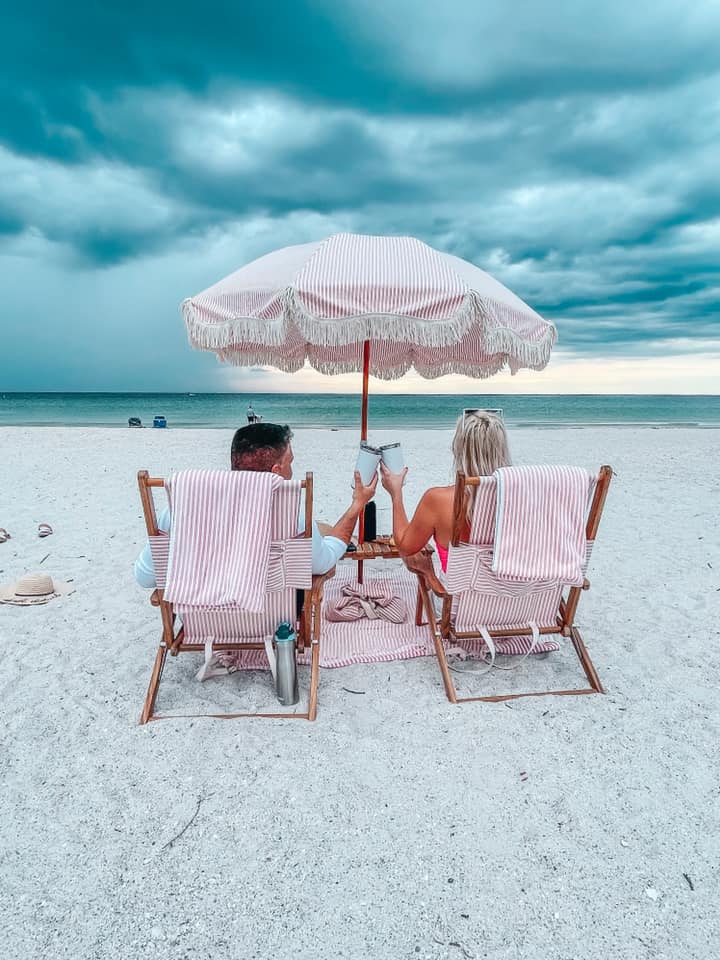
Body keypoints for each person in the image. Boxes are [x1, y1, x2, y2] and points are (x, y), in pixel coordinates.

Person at [134, 422, 377, 587]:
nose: (292, 469)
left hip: (202, 623)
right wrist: (357, 504)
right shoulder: (291, 519)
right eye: (290, 462)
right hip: (271, 623)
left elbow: (145, 578)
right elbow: (323, 563)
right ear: (276, 471)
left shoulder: (182, 510)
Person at [379, 411, 510, 572]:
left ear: (459, 451)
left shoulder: (438, 501)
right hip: (518, 593)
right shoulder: (522, 497)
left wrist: (396, 495)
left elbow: (406, 547)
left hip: (462, 594)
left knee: (417, 561)